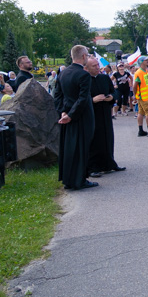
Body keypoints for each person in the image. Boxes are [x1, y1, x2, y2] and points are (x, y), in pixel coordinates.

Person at [54, 45, 97, 190]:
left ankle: (69, 179)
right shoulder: (83, 75)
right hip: (81, 116)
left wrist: (63, 112)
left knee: (69, 148)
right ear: (84, 56)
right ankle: (80, 180)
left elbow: (57, 96)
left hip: (67, 115)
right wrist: (71, 115)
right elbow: (83, 98)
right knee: (82, 148)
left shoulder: (63, 74)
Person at [85, 57, 125, 177]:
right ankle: (93, 167)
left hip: (105, 112)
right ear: (86, 68)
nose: (98, 67)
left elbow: (115, 91)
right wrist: (92, 100)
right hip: (92, 113)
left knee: (107, 137)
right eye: (94, 66)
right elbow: (79, 98)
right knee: (95, 140)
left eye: (98, 65)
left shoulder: (104, 77)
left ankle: (109, 163)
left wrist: (112, 97)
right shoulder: (85, 79)